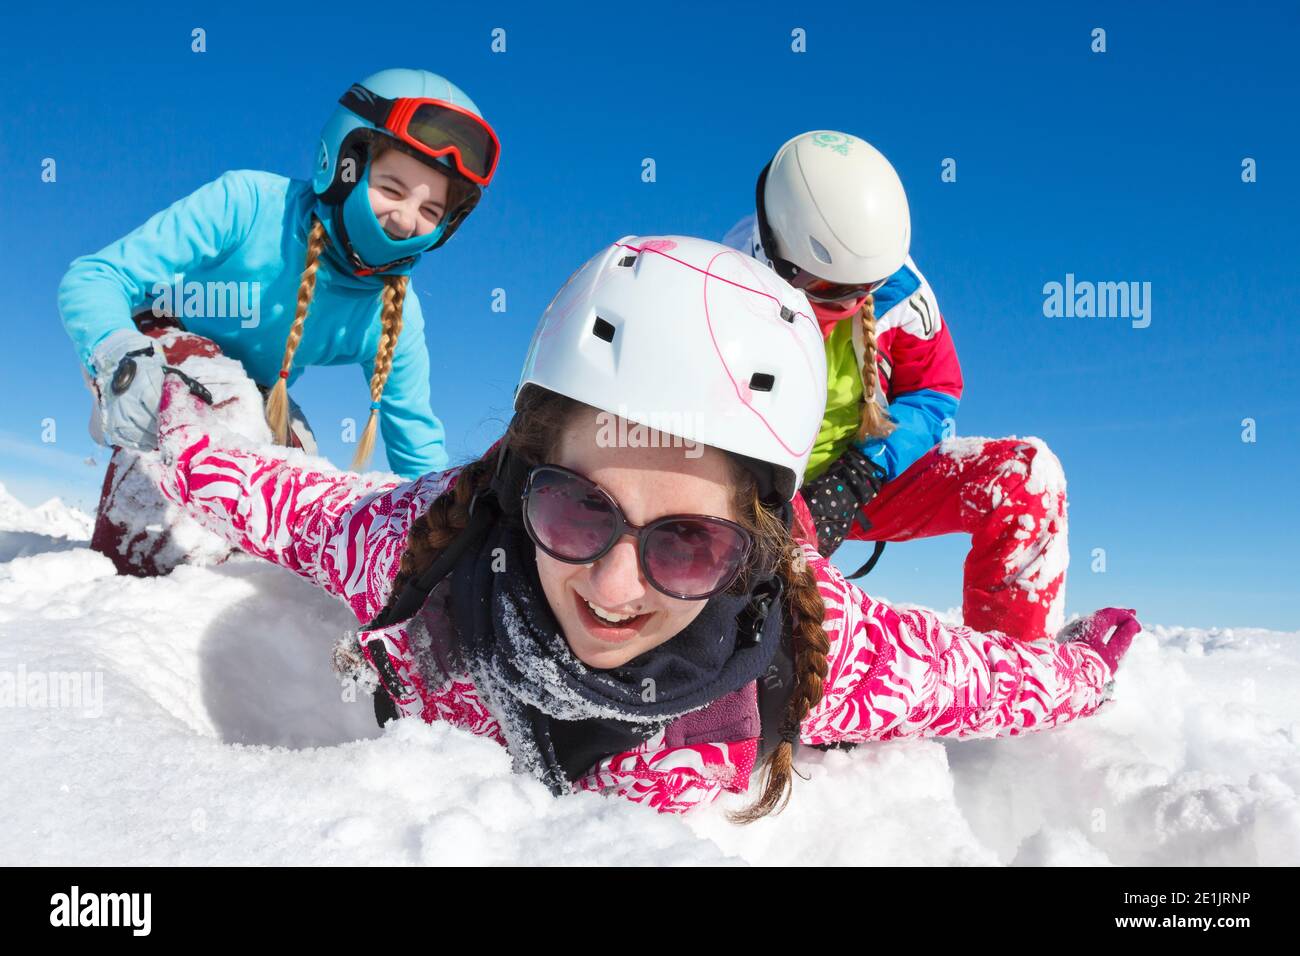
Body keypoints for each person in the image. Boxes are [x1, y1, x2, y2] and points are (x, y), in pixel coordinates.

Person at [148, 236, 1142, 820]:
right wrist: (175, 410)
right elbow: (271, 495)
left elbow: (988, 677)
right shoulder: (420, 544)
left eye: (687, 542)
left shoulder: (817, 651)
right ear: (516, 475)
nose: (615, 588)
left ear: (755, 547)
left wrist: (1090, 661)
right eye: (576, 508)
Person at [56, 67, 499, 575]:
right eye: (393, 188)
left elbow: (416, 442)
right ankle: (137, 574)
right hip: (153, 350)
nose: (405, 219)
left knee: (299, 471)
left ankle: (241, 582)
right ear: (343, 166)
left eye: (431, 209)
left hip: (261, 388)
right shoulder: (248, 204)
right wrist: (118, 356)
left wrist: (445, 536)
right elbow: (95, 276)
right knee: (230, 405)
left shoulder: (395, 311)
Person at [725, 130, 1069, 643]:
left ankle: (1016, 681)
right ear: (779, 254)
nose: (848, 304)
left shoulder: (900, 292)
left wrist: (857, 476)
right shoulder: (721, 285)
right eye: (828, 290)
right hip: (748, 492)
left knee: (1024, 477)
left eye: (863, 290)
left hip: (857, 481)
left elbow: (936, 393)